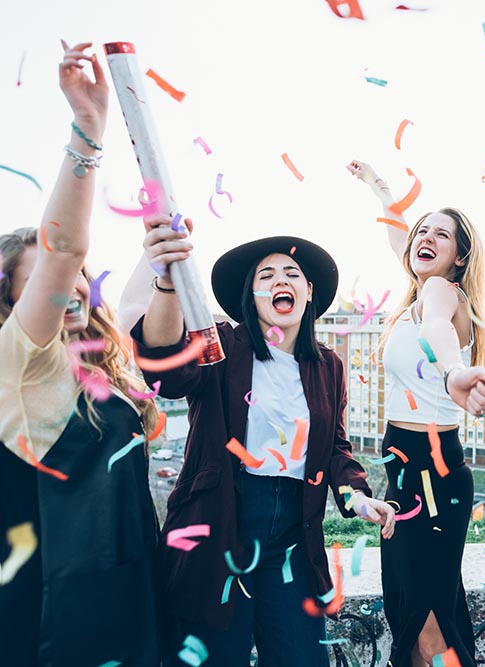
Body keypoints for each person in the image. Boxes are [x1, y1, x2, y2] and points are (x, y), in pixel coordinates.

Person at [132, 226, 396, 664]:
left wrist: (361, 498)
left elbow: (334, 450)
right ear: (250, 295)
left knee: (301, 657)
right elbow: (165, 369)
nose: (280, 281)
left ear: (308, 293)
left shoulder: (327, 365)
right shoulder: (221, 346)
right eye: (266, 275)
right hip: (219, 528)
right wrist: (165, 281)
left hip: (293, 536)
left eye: (292, 273)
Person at [0, 42, 162, 665]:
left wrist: (160, 247)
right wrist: (89, 128)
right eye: (40, 282)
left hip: (127, 590)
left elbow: (130, 298)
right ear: (16, 300)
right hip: (53, 610)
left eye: (71, 280)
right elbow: (64, 249)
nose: (64, 287)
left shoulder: (98, 360)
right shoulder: (18, 361)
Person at [348, 160, 485, 667]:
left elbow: (438, 331)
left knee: (427, 624)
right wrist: (382, 192)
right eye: (422, 231)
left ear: (459, 259)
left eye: (442, 235)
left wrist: (454, 372)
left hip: (431, 472)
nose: (424, 239)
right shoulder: (419, 289)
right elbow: (398, 241)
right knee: (411, 613)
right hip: (408, 473)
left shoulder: (440, 294)